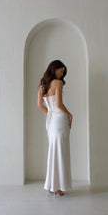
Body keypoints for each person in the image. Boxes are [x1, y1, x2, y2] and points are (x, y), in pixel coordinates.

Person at [37, 60, 73, 196]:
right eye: (61, 70)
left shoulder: (42, 85)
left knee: (53, 151)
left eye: (63, 72)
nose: (62, 74)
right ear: (54, 69)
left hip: (51, 121)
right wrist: (69, 114)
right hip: (59, 120)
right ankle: (59, 187)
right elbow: (59, 104)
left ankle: (52, 186)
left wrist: (50, 113)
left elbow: (40, 105)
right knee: (60, 152)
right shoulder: (58, 83)